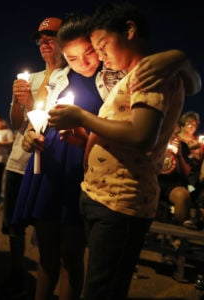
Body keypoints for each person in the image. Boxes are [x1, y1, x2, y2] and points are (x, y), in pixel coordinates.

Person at [47, 3, 198, 299]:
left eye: (102, 46)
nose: (100, 57)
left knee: (102, 289)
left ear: (129, 31)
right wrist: (85, 138)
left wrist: (81, 117)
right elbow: (120, 130)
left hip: (122, 200)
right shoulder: (130, 74)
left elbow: (143, 136)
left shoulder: (149, 72)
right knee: (101, 281)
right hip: (102, 195)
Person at [1, 16, 66, 298]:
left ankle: (46, 276)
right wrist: (18, 100)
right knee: (14, 225)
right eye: (41, 39)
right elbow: (16, 124)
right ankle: (16, 270)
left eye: (51, 37)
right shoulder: (32, 78)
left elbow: (50, 120)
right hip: (18, 162)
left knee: (49, 232)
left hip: (48, 163)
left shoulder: (69, 79)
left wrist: (30, 104)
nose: (44, 43)